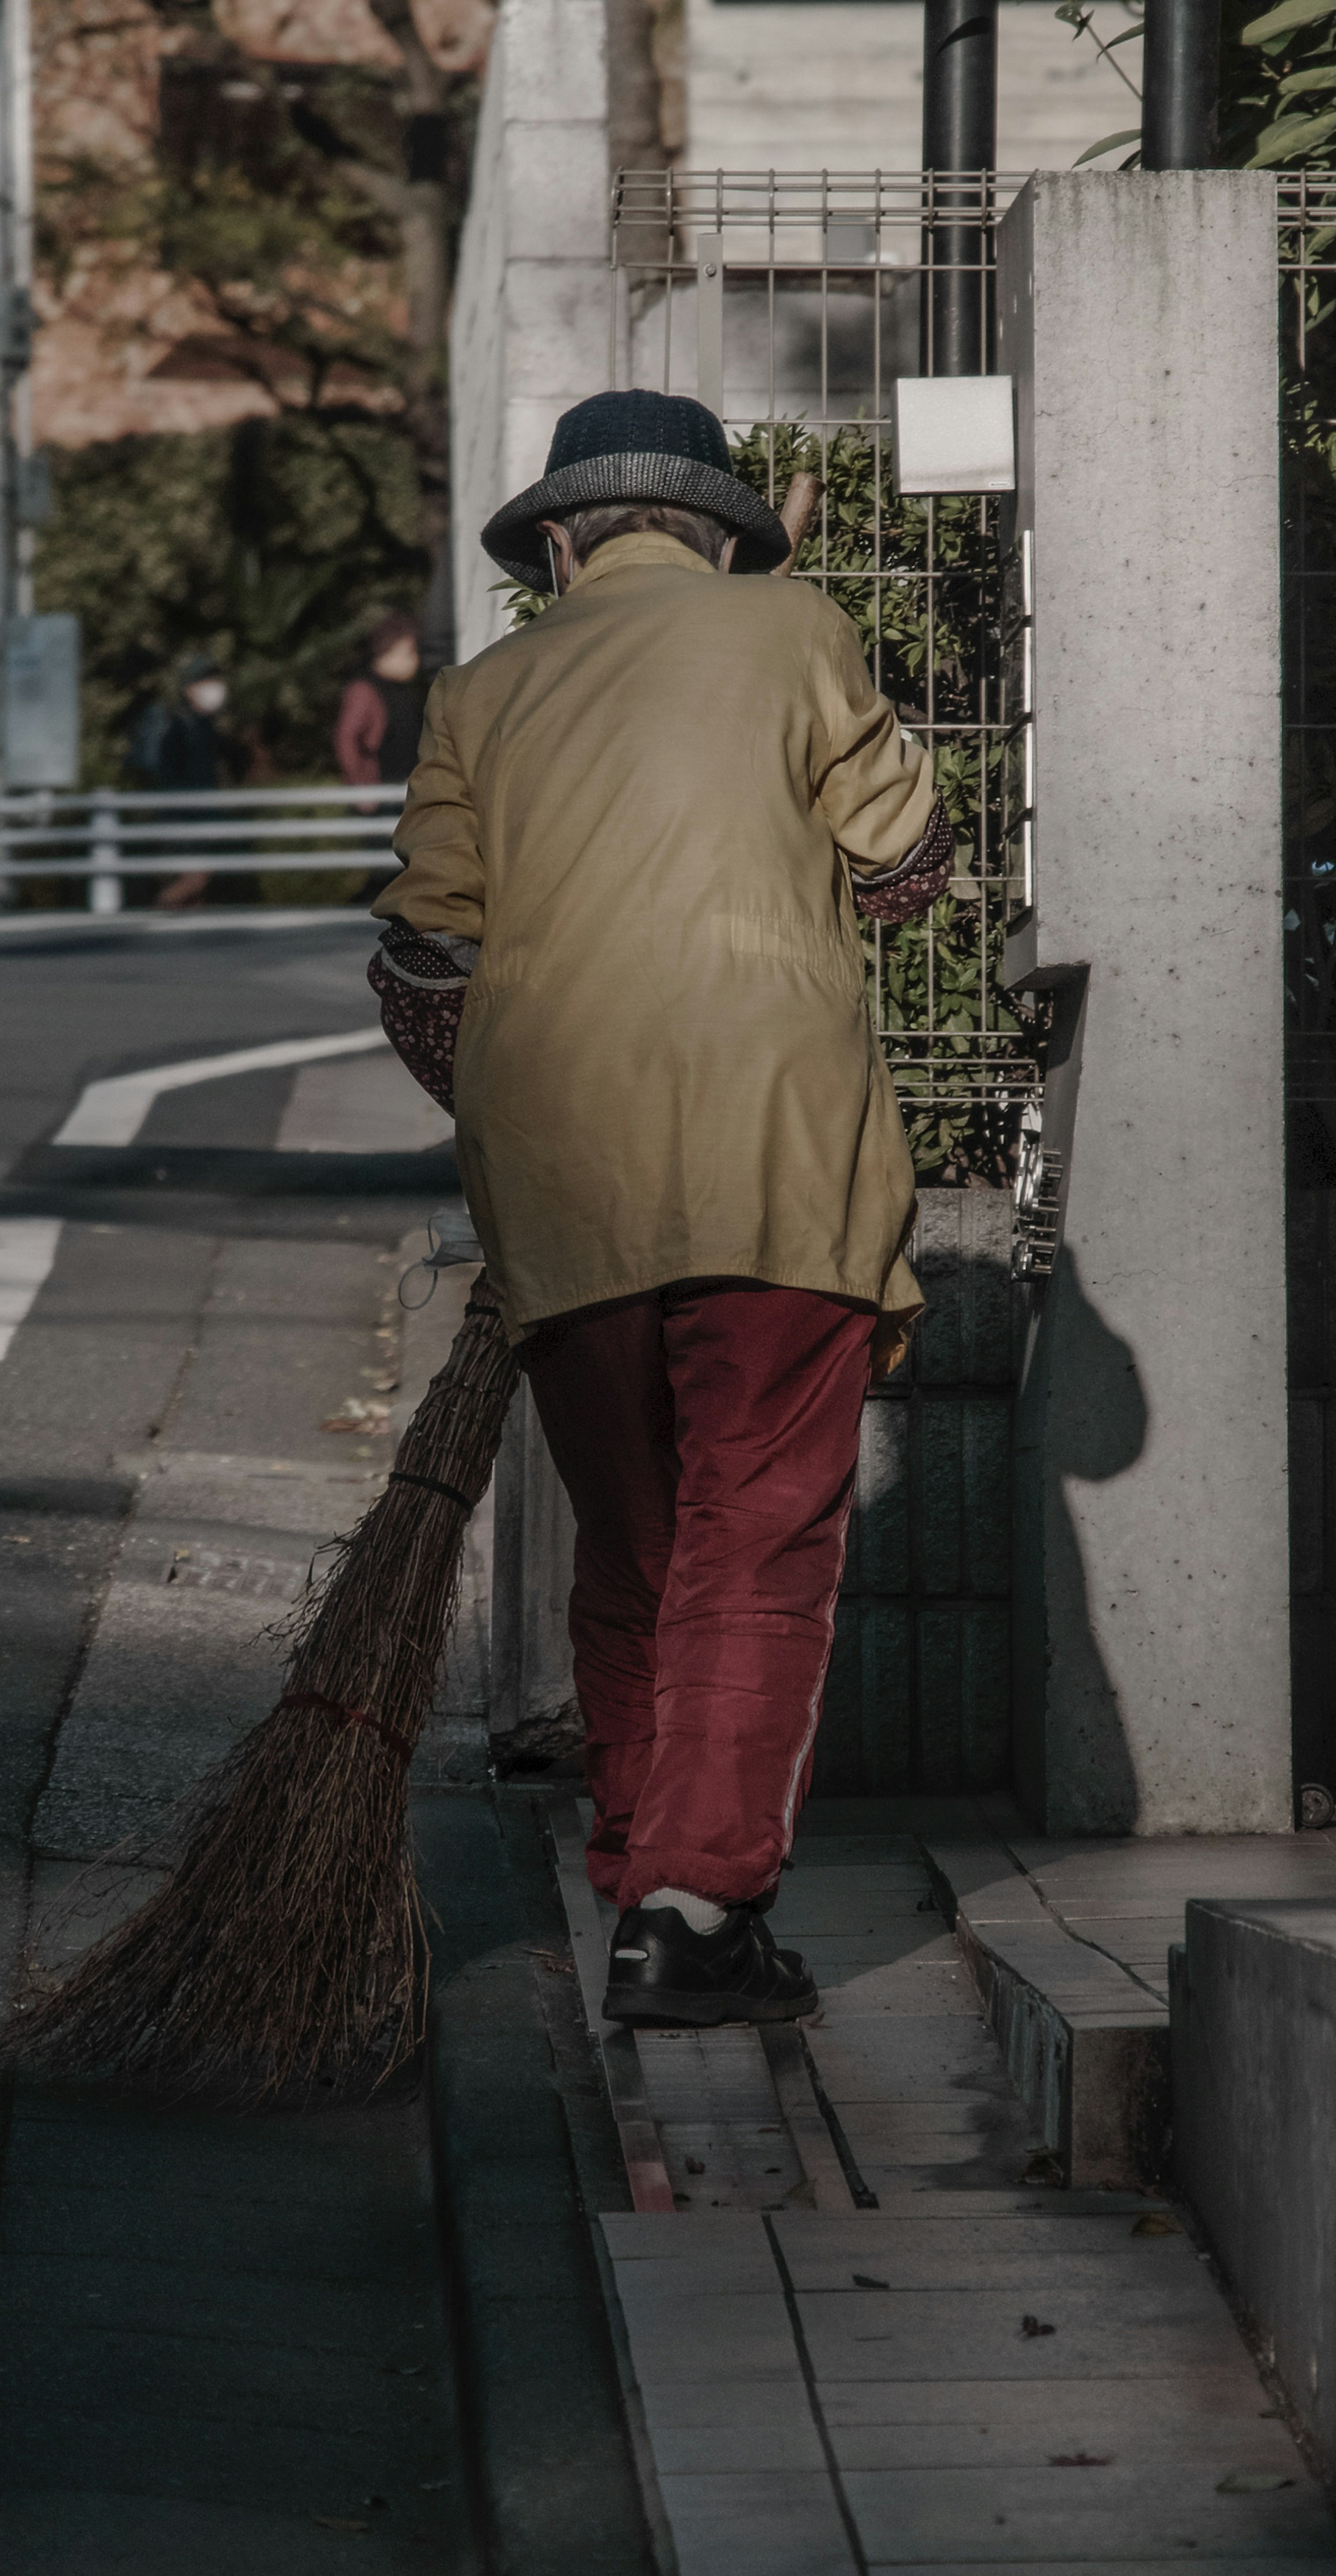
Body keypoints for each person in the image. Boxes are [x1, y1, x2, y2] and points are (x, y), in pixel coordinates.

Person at [365, 390, 954, 2033]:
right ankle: (696, 1917)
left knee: (634, 1549)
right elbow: (908, 869)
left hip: (570, 1179)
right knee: (755, 1542)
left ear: (558, 541)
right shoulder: (794, 626)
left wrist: (509, 1119)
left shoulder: (484, 691)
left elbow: (422, 962)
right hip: (779, 1159)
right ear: (725, 531)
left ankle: (634, 1870)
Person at [127, 655, 234, 909]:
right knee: (196, 879)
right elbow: (169, 773)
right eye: (205, 681)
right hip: (183, 815)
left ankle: (190, 939)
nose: (215, 687)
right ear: (189, 689)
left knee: (196, 890)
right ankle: (153, 919)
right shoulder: (179, 725)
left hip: (198, 814)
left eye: (215, 680)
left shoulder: (204, 725)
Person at [334, 608, 427, 791]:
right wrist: (360, 786)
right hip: (377, 794)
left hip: (401, 789)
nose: (415, 661)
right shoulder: (364, 690)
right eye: (409, 652)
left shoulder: (401, 691)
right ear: (386, 650)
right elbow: (346, 738)